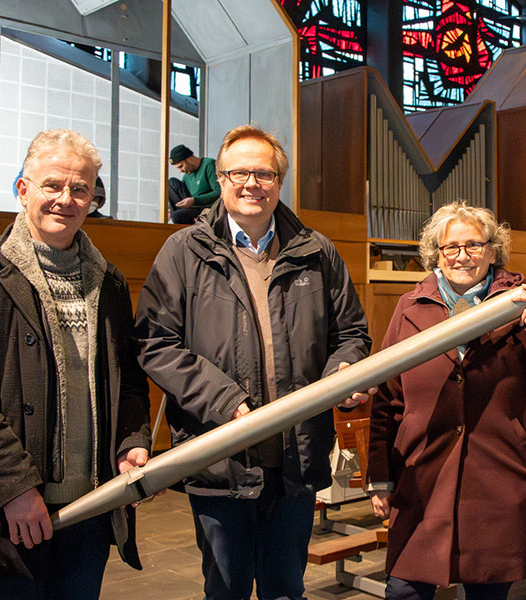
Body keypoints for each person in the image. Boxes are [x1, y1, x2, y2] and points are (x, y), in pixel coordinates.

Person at [135, 125, 373, 599]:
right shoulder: (183, 251)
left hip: (295, 459)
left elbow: (351, 335)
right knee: (226, 590)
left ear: (279, 182)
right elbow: (155, 341)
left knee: (286, 589)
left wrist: (341, 377)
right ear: (220, 179)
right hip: (219, 456)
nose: (251, 183)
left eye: (264, 173)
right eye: (239, 172)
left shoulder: (316, 251)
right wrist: (225, 399)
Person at [0, 129, 153, 599]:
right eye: (52, 184)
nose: (65, 199)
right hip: (11, 512)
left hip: (92, 506)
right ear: (23, 189)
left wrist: (132, 441)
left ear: (92, 200)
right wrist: (15, 488)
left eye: (80, 189)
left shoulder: (109, 281)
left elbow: (129, 381)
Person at [366, 200, 526, 600]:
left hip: (496, 483)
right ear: (437, 254)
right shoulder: (409, 308)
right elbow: (387, 399)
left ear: (493, 251)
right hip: (422, 478)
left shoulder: (519, 303)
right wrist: (379, 474)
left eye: (474, 245)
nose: (462, 256)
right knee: (404, 592)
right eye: (451, 247)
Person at [167, 143, 221, 224]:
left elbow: (219, 192)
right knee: (172, 182)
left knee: (177, 216)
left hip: (205, 209)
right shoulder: (187, 175)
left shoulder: (208, 164)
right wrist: (169, 209)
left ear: (189, 159)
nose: (180, 171)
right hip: (191, 207)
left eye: (181, 166)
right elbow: (176, 192)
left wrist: (194, 200)